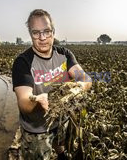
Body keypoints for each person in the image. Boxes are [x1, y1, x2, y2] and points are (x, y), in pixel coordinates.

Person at [12, 9, 92, 160]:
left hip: (61, 119)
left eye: (47, 31)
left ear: (53, 32)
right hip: (37, 129)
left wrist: (79, 87)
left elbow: (85, 79)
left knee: (60, 142)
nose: (42, 38)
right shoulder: (23, 62)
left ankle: (61, 154)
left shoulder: (64, 54)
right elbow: (24, 101)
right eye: (36, 33)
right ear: (30, 34)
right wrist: (37, 101)